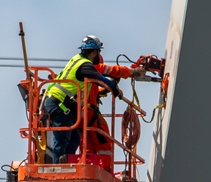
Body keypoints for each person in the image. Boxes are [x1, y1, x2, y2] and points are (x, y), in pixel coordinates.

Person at [42, 35, 143, 164]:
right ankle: (57, 170)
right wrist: (114, 87)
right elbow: (101, 78)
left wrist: (105, 90)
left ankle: (66, 164)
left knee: (74, 139)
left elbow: (90, 87)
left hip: (63, 104)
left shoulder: (76, 60)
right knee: (63, 140)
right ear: (95, 52)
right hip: (60, 104)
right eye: (99, 51)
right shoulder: (85, 66)